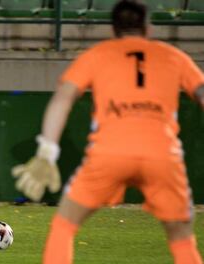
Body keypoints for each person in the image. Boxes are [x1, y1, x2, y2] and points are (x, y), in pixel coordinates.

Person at [12, 1, 204, 263]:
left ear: (113, 29)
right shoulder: (172, 55)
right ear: (148, 27)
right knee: (181, 237)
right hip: (162, 155)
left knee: (65, 225)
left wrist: (47, 150)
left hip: (109, 154)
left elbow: (63, 99)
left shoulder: (97, 55)